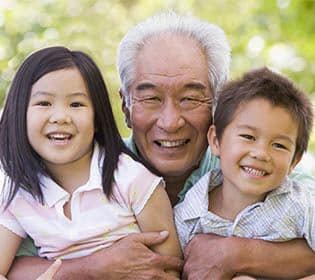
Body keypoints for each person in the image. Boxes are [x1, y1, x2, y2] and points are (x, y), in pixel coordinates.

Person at [8, 12, 315, 280]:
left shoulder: (268, 171)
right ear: (125, 107)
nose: (170, 121)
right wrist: (89, 268)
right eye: (151, 98)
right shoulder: (78, 173)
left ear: (218, 108)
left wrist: (239, 254)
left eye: (190, 98)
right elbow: (12, 265)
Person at [0, 46, 182, 278]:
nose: (60, 117)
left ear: (97, 118)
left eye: (76, 104)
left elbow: (171, 269)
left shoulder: (131, 179)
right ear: (18, 114)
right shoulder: (17, 193)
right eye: (44, 103)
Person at [175, 68, 315, 275]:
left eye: (279, 145)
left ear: (294, 161)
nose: (261, 154)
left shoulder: (301, 206)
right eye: (248, 137)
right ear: (216, 141)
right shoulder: (189, 215)